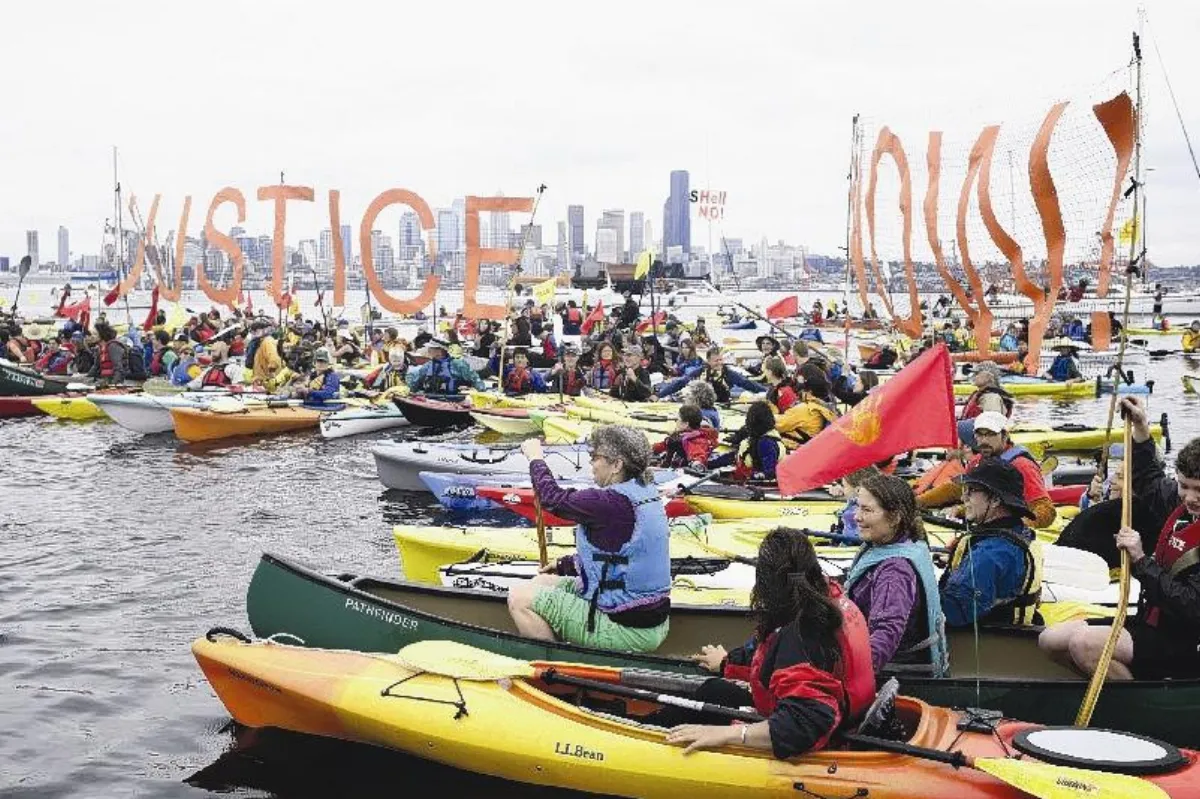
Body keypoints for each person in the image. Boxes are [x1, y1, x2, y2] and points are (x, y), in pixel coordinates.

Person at [666, 528, 875, 757]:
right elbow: (771, 659)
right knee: (714, 690)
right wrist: (728, 664)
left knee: (699, 709)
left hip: (824, 740)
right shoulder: (829, 603)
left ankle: (656, 733)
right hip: (839, 719)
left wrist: (728, 734)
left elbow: (803, 724)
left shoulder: (803, 635)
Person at [1038, 397, 1200, 679]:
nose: (1189, 498)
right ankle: (1112, 687)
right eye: (1184, 487)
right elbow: (1148, 477)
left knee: (1084, 644)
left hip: (1185, 642)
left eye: (1198, 490)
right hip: (1153, 622)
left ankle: (1138, 708)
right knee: (1051, 640)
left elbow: (1191, 606)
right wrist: (1140, 426)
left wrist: (1140, 560)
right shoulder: (1179, 505)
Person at [507, 427, 671, 652]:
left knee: (518, 598)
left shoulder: (610, 504)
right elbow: (614, 551)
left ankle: (555, 669)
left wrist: (536, 458)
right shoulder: (644, 492)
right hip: (648, 620)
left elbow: (552, 499)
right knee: (541, 583)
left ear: (616, 465)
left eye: (595, 458)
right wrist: (564, 564)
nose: (591, 464)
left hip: (625, 629)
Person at [845, 473, 948, 676]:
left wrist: (849, 678)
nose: (856, 516)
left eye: (867, 510)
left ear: (894, 518)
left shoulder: (895, 572)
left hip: (898, 676)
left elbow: (885, 634)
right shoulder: (911, 542)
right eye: (857, 506)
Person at [939, 458, 1043, 627]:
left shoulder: (987, 556)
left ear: (995, 500)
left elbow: (949, 612)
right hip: (1012, 634)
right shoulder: (1020, 531)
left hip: (981, 644)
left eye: (971, 490)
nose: (963, 496)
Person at [917, 411, 1056, 529]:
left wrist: (1012, 526)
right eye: (979, 435)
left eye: (990, 434)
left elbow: (1046, 511)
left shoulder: (1022, 466)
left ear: (1005, 436)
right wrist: (917, 502)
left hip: (1008, 528)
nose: (983, 440)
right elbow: (957, 489)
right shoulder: (978, 461)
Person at [709, 400, 785, 482]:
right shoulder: (757, 436)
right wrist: (709, 464)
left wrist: (756, 475)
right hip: (744, 475)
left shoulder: (766, 443)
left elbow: (770, 472)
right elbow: (734, 456)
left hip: (754, 483)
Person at [776, 362, 839, 446]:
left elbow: (776, 424)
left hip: (795, 450)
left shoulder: (804, 409)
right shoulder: (827, 406)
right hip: (810, 447)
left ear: (809, 391)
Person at [957, 362, 1014, 448]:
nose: (973, 376)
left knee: (959, 426)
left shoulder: (991, 397)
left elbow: (991, 425)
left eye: (977, 373)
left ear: (988, 377)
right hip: (978, 439)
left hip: (984, 444)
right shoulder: (984, 394)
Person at [653, 404, 719, 470]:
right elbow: (663, 445)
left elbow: (698, 455)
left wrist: (696, 463)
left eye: (677, 419)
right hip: (671, 467)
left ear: (686, 424)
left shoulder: (694, 440)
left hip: (679, 473)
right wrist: (652, 448)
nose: (676, 421)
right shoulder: (680, 436)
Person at [406, 340, 485, 394]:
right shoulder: (428, 365)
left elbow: (475, 379)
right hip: (431, 399)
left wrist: (481, 392)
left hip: (455, 400)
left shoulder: (458, 364)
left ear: (440, 351)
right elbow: (415, 382)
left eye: (431, 348)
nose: (428, 350)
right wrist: (407, 390)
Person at [830, 465, 881, 541]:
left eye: (844, 486)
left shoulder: (852, 513)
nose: (843, 490)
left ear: (858, 490)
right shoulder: (878, 502)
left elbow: (849, 538)